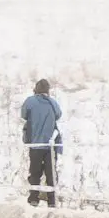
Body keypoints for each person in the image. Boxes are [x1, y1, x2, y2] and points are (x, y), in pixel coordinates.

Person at [21, 78, 63, 207]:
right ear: (47, 91)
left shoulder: (30, 101)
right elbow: (59, 115)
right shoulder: (53, 103)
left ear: (36, 89)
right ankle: (51, 200)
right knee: (51, 172)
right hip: (50, 145)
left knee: (35, 172)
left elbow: (23, 115)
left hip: (35, 144)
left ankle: (34, 198)